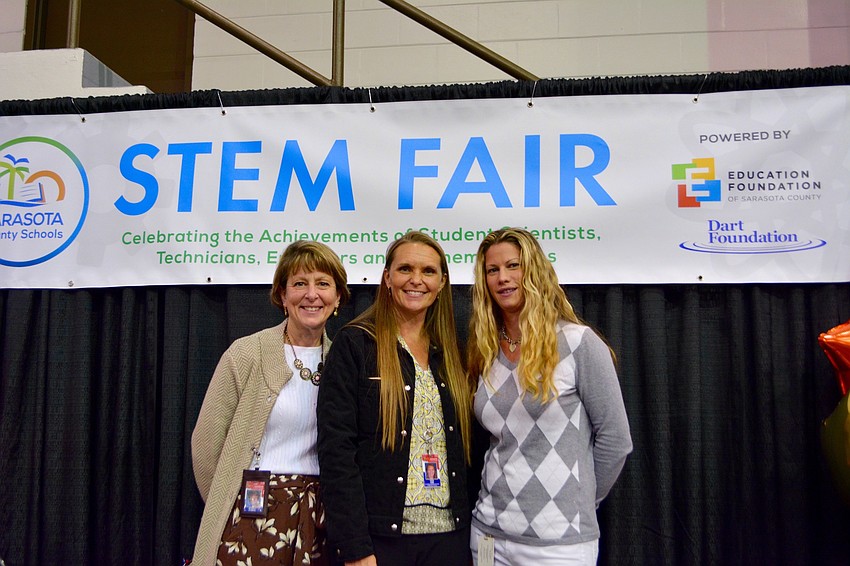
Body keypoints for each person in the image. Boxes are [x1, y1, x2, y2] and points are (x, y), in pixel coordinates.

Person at [466, 228, 632, 565]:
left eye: (514, 266)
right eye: (492, 270)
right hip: (487, 536)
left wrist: (576, 502)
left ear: (534, 270)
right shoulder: (484, 349)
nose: (503, 278)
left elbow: (616, 440)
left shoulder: (577, 343)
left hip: (559, 546)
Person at [317, 231, 473, 566]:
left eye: (428, 271)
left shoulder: (451, 353)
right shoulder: (355, 345)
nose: (416, 280)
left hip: (450, 540)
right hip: (381, 542)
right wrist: (356, 548)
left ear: (443, 282)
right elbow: (336, 451)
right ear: (387, 277)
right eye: (405, 269)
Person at [191, 240, 350, 566]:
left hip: (318, 520)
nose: (311, 294)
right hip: (251, 514)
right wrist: (227, 502)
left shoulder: (346, 362)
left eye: (323, 283)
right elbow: (206, 445)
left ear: (337, 298)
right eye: (299, 284)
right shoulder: (246, 354)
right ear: (282, 295)